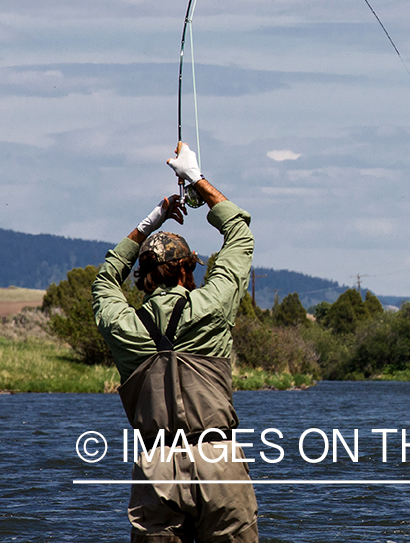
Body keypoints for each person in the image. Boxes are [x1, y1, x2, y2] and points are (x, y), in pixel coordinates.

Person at [92, 143, 258, 543]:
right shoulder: (211, 304)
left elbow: (104, 281)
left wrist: (154, 218)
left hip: (157, 468)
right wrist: (196, 179)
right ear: (186, 271)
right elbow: (239, 233)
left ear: (143, 276)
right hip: (218, 462)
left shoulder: (124, 324)